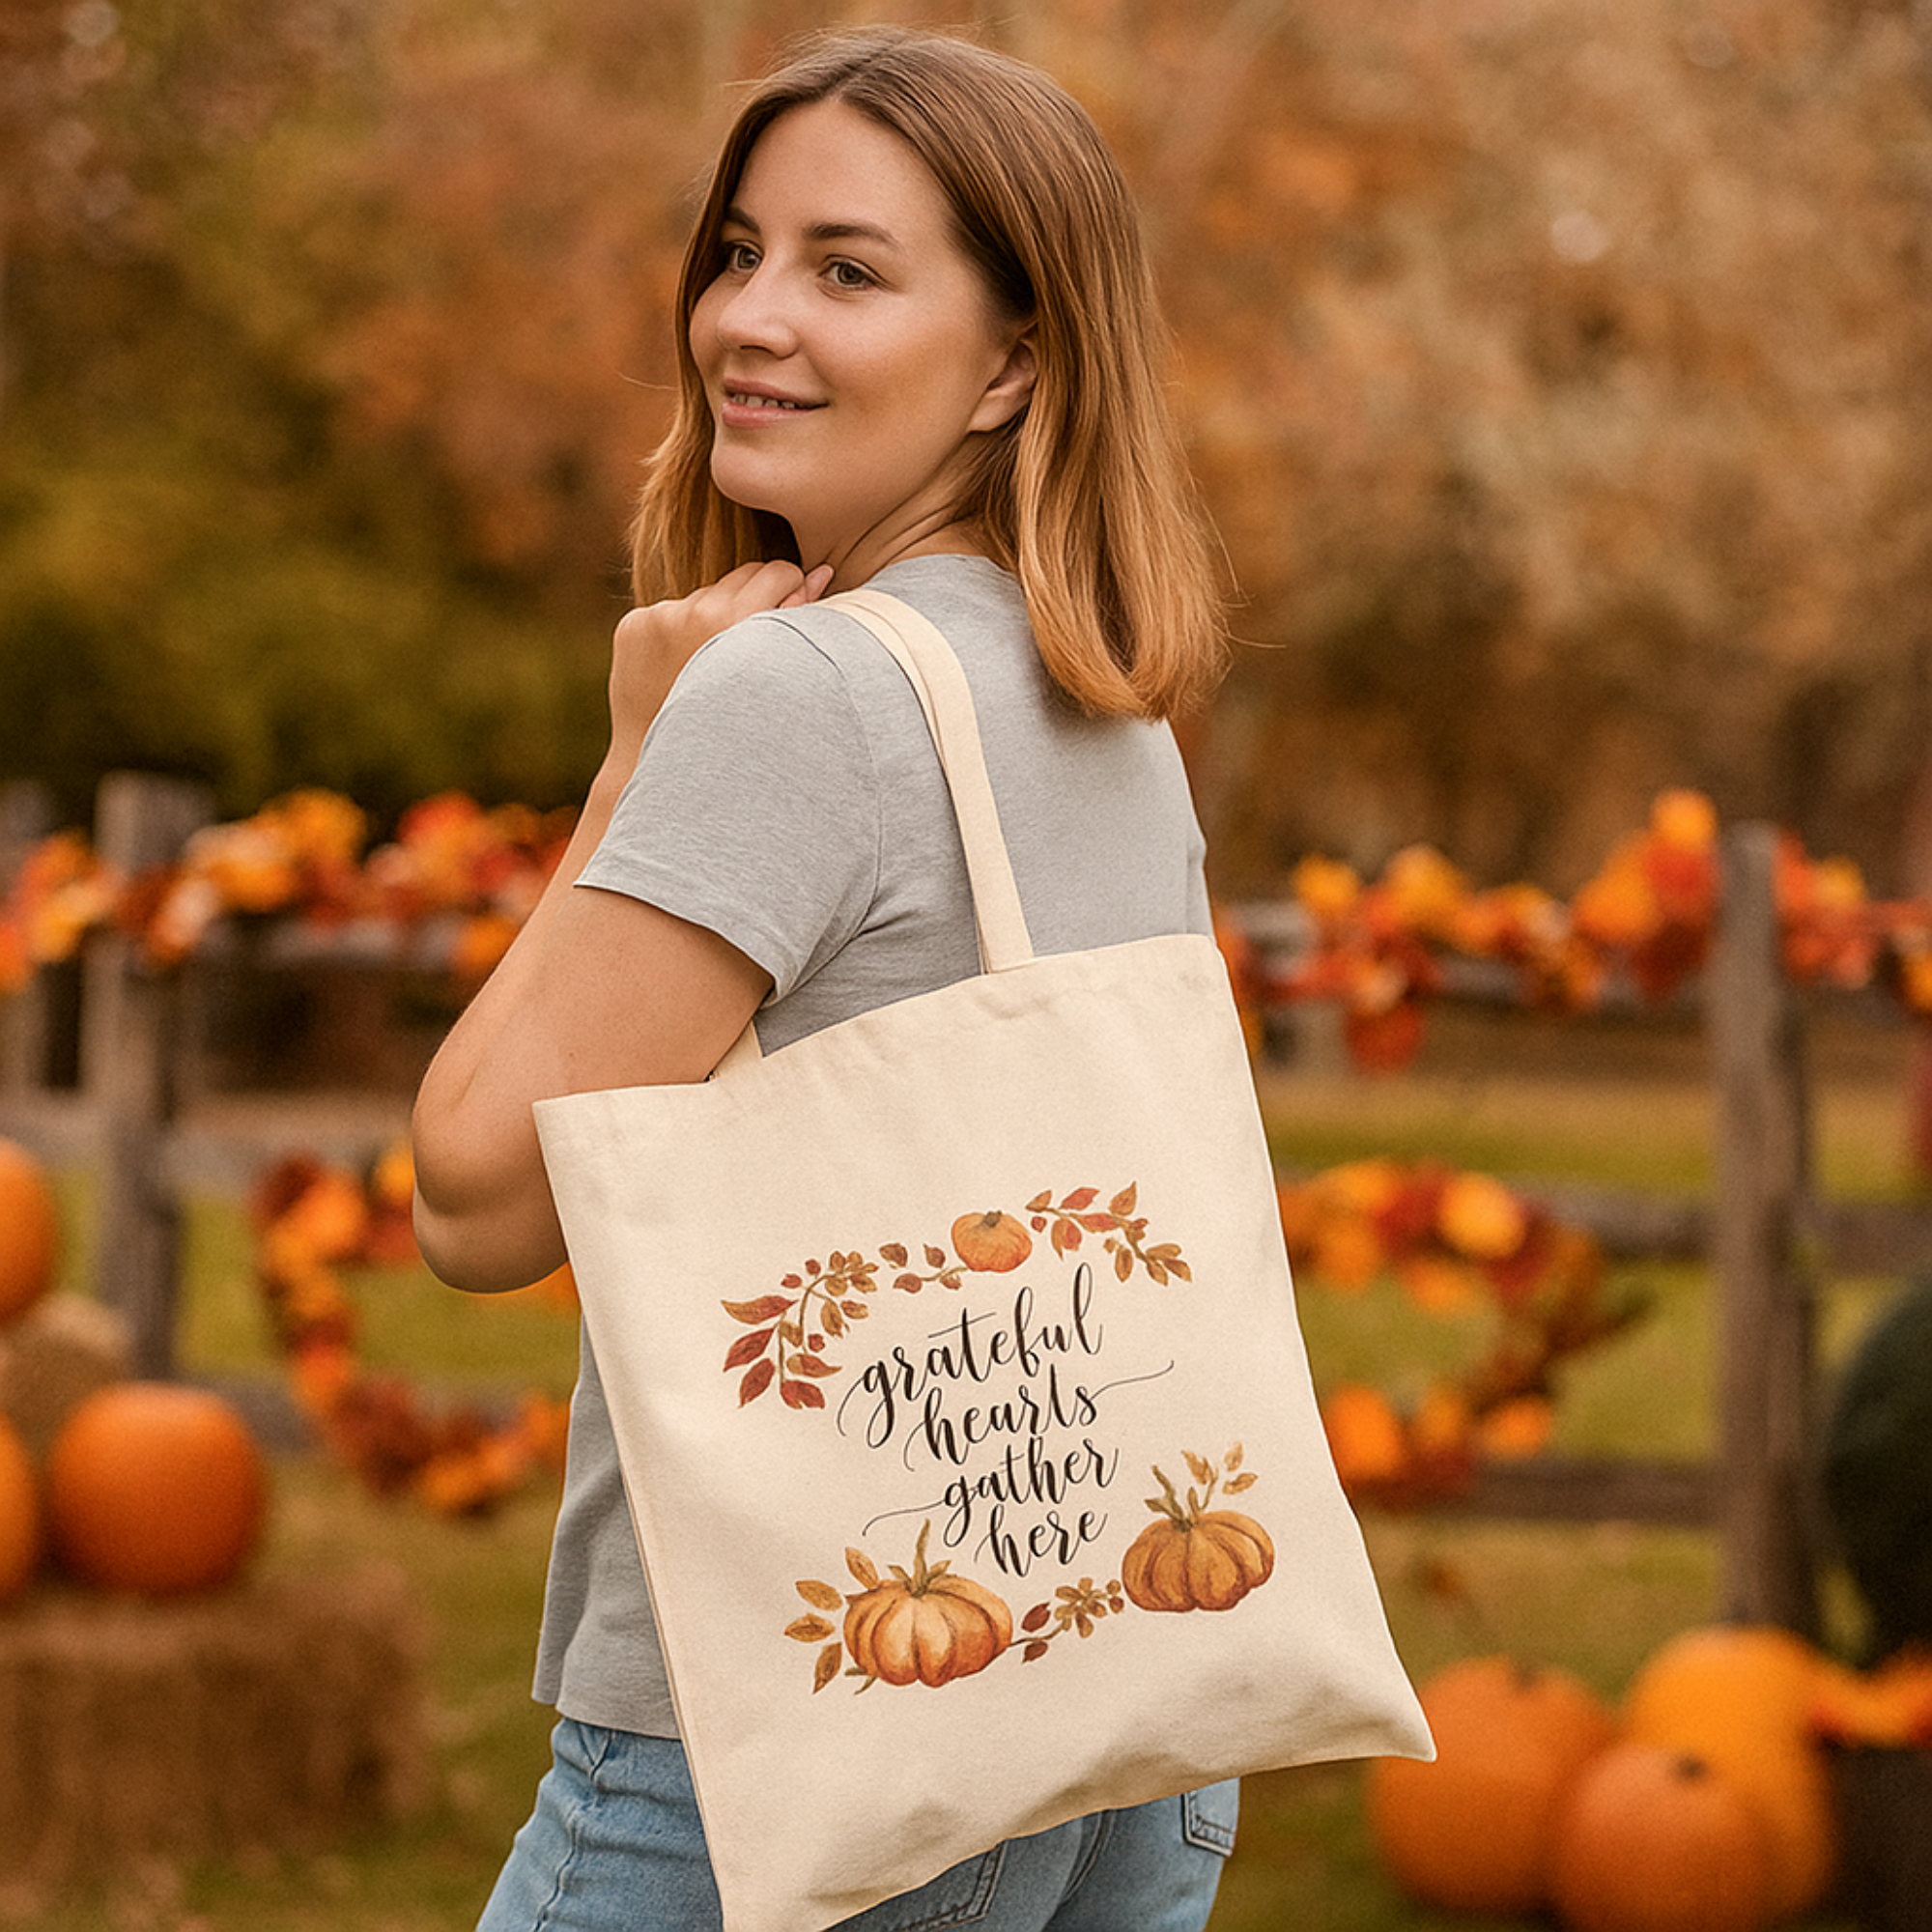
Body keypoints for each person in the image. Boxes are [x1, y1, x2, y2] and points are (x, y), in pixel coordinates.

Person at [410, 25, 1232, 1931]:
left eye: (846, 271)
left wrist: (632, 757)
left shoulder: (800, 692)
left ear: (1016, 358)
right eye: (736, 251)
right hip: (1125, 1677)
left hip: (802, 1718)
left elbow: (469, 1197)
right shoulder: (1102, 697)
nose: (745, 320)